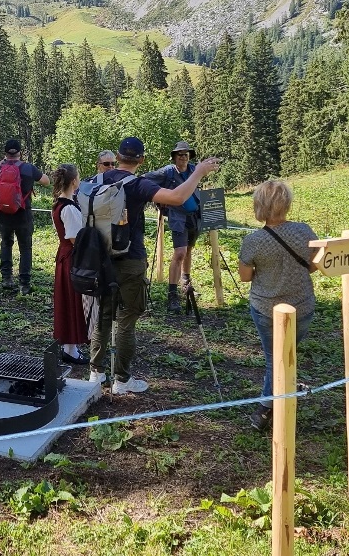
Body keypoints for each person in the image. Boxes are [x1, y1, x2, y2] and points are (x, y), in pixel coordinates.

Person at [87, 136, 219, 394]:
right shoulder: (138, 184)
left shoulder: (97, 180)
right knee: (127, 319)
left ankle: (95, 374)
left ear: (117, 156)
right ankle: (122, 380)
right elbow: (178, 197)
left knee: (103, 315)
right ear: (142, 160)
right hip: (131, 259)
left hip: (100, 258)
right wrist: (199, 172)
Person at [238, 179, 319, 432]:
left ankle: (265, 408)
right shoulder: (304, 231)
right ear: (286, 203)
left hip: (266, 308)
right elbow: (315, 264)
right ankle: (285, 389)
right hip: (302, 305)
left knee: (275, 358)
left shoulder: (253, 241)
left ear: (259, 205)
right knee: (286, 354)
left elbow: (245, 276)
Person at [143, 141, 203, 315]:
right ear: (174, 157)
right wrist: (159, 197)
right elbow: (143, 180)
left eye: (186, 154)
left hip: (195, 216)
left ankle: (186, 283)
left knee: (189, 249)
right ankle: (172, 295)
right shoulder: (167, 172)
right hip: (178, 217)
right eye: (180, 154)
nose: (183, 157)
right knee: (180, 252)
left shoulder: (194, 170)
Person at [0, 140, 50, 296]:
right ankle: (24, 284)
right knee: (25, 248)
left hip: (3, 213)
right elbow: (46, 181)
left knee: (6, 243)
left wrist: (0, 163)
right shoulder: (28, 168)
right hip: (23, 214)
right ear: (20, 153)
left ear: (5, 153)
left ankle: (6, 279)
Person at [50, 164, 88, 364]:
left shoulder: (59, 204)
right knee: (72, 301)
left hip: (64, 255)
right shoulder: (69, 209)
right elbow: (75, 239)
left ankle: (69, 346)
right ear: (74, 181)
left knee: (68, 300)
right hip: (72, 257)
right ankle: (70, 349)